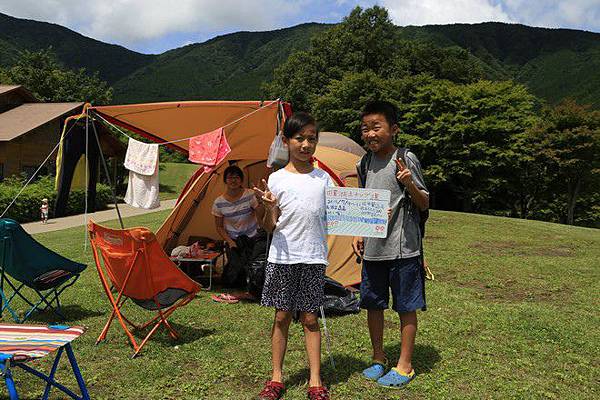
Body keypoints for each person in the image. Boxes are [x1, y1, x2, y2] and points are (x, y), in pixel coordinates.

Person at [253, 112, 332, 400]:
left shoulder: (324, 179)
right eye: (300, 138)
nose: (306, 145)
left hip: (313, 257)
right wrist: (269, 207)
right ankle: (276, 378)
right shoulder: (275, 179)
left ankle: (315, 380)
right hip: (282, 258)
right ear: (286, 141)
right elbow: (269, 226)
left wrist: (371, 221)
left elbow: (341, 215)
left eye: (312, 139)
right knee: (282, 316)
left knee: (311, 318)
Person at [352, 100, 429, 389]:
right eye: (365, 129)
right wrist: (359, 233)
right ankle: (378, 357)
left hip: (403, 247)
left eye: (376, 127)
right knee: (374, 304)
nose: (370, 134)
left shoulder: (405, 158)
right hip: (373, 249)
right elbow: (364, 201)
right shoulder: (364, 162)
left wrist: (409, 183)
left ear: (393, 129)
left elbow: (424, 202)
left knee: (406, 305)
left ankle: (405, 365)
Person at [212, 165, 265, 287]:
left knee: (253, 264)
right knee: (237, 267)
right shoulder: (219, 203)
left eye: (236, 177)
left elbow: (260, 215)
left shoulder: (249, 194)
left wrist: (260, 200)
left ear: (241, 180)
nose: (233, 180)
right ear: (225, 181)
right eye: (230, 178)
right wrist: (230, 242)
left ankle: (253, 286)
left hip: (252, 236)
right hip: (233, 239)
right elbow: (219, 227)